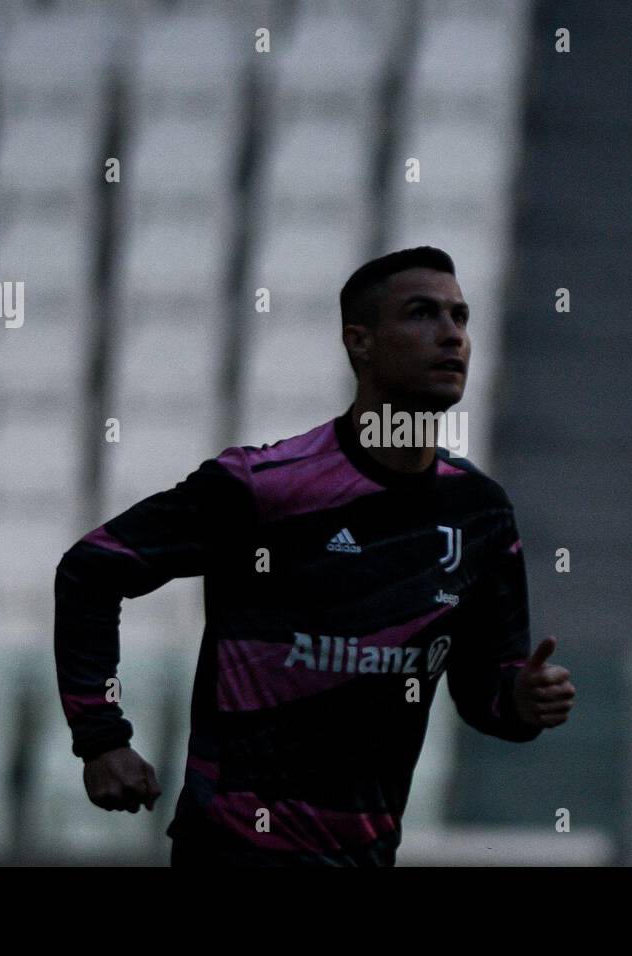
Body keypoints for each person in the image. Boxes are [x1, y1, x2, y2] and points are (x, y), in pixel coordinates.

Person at [53, 246, 576, 866]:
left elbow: (485, 687)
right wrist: (101, 738)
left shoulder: (480, 512)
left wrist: (520, 701)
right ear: (360, 342)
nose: (451, 336)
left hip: (366, 855)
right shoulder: (263, 486)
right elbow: (92, 568)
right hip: (235, 849)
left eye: (461, 318)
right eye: (422, 314)